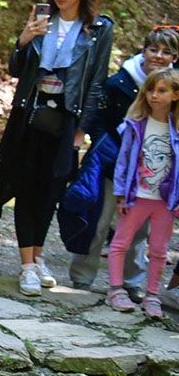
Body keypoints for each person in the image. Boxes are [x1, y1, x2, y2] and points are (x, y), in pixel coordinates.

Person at [0, 0, 115, 296]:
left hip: (66, 119)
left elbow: (96, 83)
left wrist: (81, 130)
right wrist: (24, 39)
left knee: (51, 191)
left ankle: (39, 255)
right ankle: (26, 264)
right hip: (29, 118)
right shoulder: (43, 23)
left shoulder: (99, 29)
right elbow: (18, 70)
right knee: (27, 189)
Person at [64, 28, 178, 294]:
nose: (158, 57)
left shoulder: (174, 89)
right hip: (112, 164)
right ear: (143, 50)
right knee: (99, 221)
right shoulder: (119, 83)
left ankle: (133, 283)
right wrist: (118, 153)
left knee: (139, 230)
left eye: (166, 52)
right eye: (153, 50)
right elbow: (98, 123)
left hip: (154, 175)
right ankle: (82, 277)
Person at [106, 67, 179, 320]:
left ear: (175, 95)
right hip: (136, 197)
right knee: (121, 242)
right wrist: (120, 193)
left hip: (164, 202)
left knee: (159, 249)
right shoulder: (135, 125)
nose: (154, 96)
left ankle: (152, 295)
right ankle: (115, 289)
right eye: (150, 90)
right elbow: (123, 161)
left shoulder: (177, 130)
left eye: (162, 91)